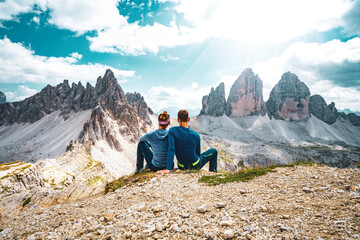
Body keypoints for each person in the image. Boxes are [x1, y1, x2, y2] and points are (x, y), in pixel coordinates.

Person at [157, 109, 218, 174]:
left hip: (181, 166)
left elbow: (171, 149)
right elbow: (198, 154)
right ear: (188, 119)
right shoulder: (196, 135)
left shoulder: (172, 130)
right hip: (195, 165)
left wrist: (168, 169)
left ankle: (212, 173)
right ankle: (212, 172)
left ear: (178, 119)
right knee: (214, 151)